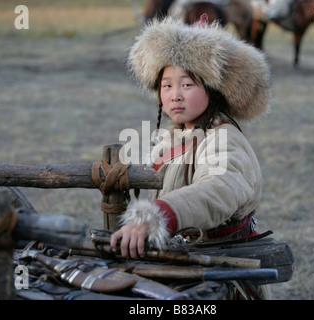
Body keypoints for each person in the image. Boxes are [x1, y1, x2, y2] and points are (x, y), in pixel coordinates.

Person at [110, 15, 271, 262]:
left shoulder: (224, 138)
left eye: (187, 85)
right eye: (166, 85)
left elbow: (220, 188)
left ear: (212, 90)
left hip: (220, 267)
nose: (175, 95)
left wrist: (160, 214)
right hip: (182, 258)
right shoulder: (176, 136)